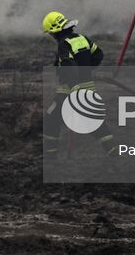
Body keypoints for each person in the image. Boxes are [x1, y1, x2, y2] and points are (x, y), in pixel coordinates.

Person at [40, 10, 115, 154]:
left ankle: (50, 156)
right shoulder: (82, 38)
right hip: (88, 88)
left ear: (55, 30)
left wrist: (74, 85)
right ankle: (112, 149)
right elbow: (98, 54)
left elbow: (68, 65)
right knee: (92, 122)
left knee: (51, 119)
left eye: (50, 32)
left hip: (70, 90)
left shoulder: (64, 44)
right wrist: (86, 70)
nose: (50, 35)